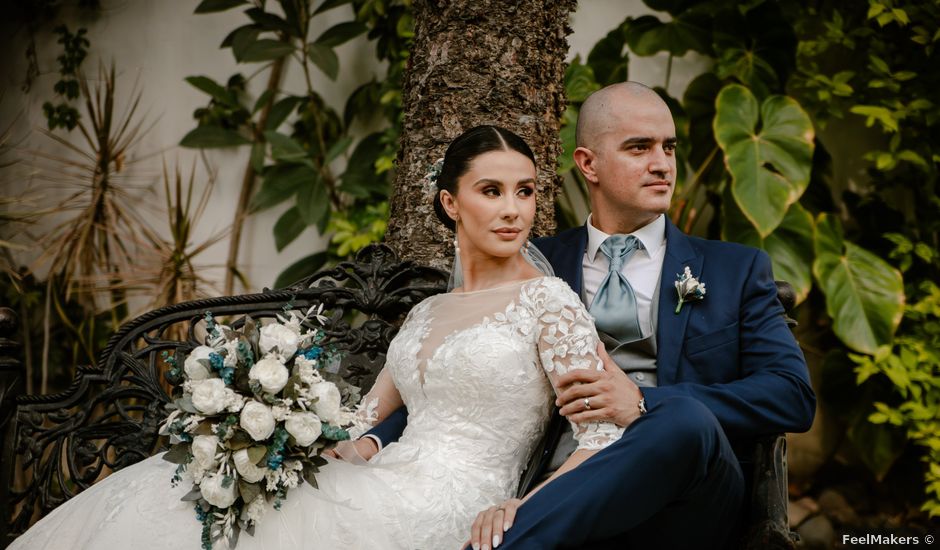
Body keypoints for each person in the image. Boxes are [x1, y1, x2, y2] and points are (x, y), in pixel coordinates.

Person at [8, 125, 626, 550]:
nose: (513, 209)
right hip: (387, 478)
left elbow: (601, 435)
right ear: (451, 202)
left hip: (459, 504)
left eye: (525, 191)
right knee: (221, 492)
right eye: (491, 191)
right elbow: (362, 419)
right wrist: (306, 432)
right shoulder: (427, 311)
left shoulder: (548, 302)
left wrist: (526, 508)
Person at [371, 83, 817, 550]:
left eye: (668, 147)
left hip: (688, 498)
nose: (662, 163)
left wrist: (644, 402)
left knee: (683, 417)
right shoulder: (534, 264)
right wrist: (371, 441)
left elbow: (792, 395)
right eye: (639, 148)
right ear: (588, 164)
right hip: (555, 491)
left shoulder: (734, 269)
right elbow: (457, 382)